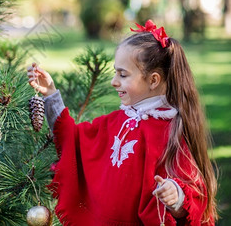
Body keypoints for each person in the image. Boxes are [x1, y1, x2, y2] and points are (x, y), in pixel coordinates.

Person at [27, 20, 217, 225]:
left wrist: (176, 196)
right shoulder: (116, 121)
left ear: (153, 80)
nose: (114, 81)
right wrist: (51, 94)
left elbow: (194, 199)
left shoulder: (169, 130)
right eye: (115, 72)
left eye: (123, 74)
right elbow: (73, 140)